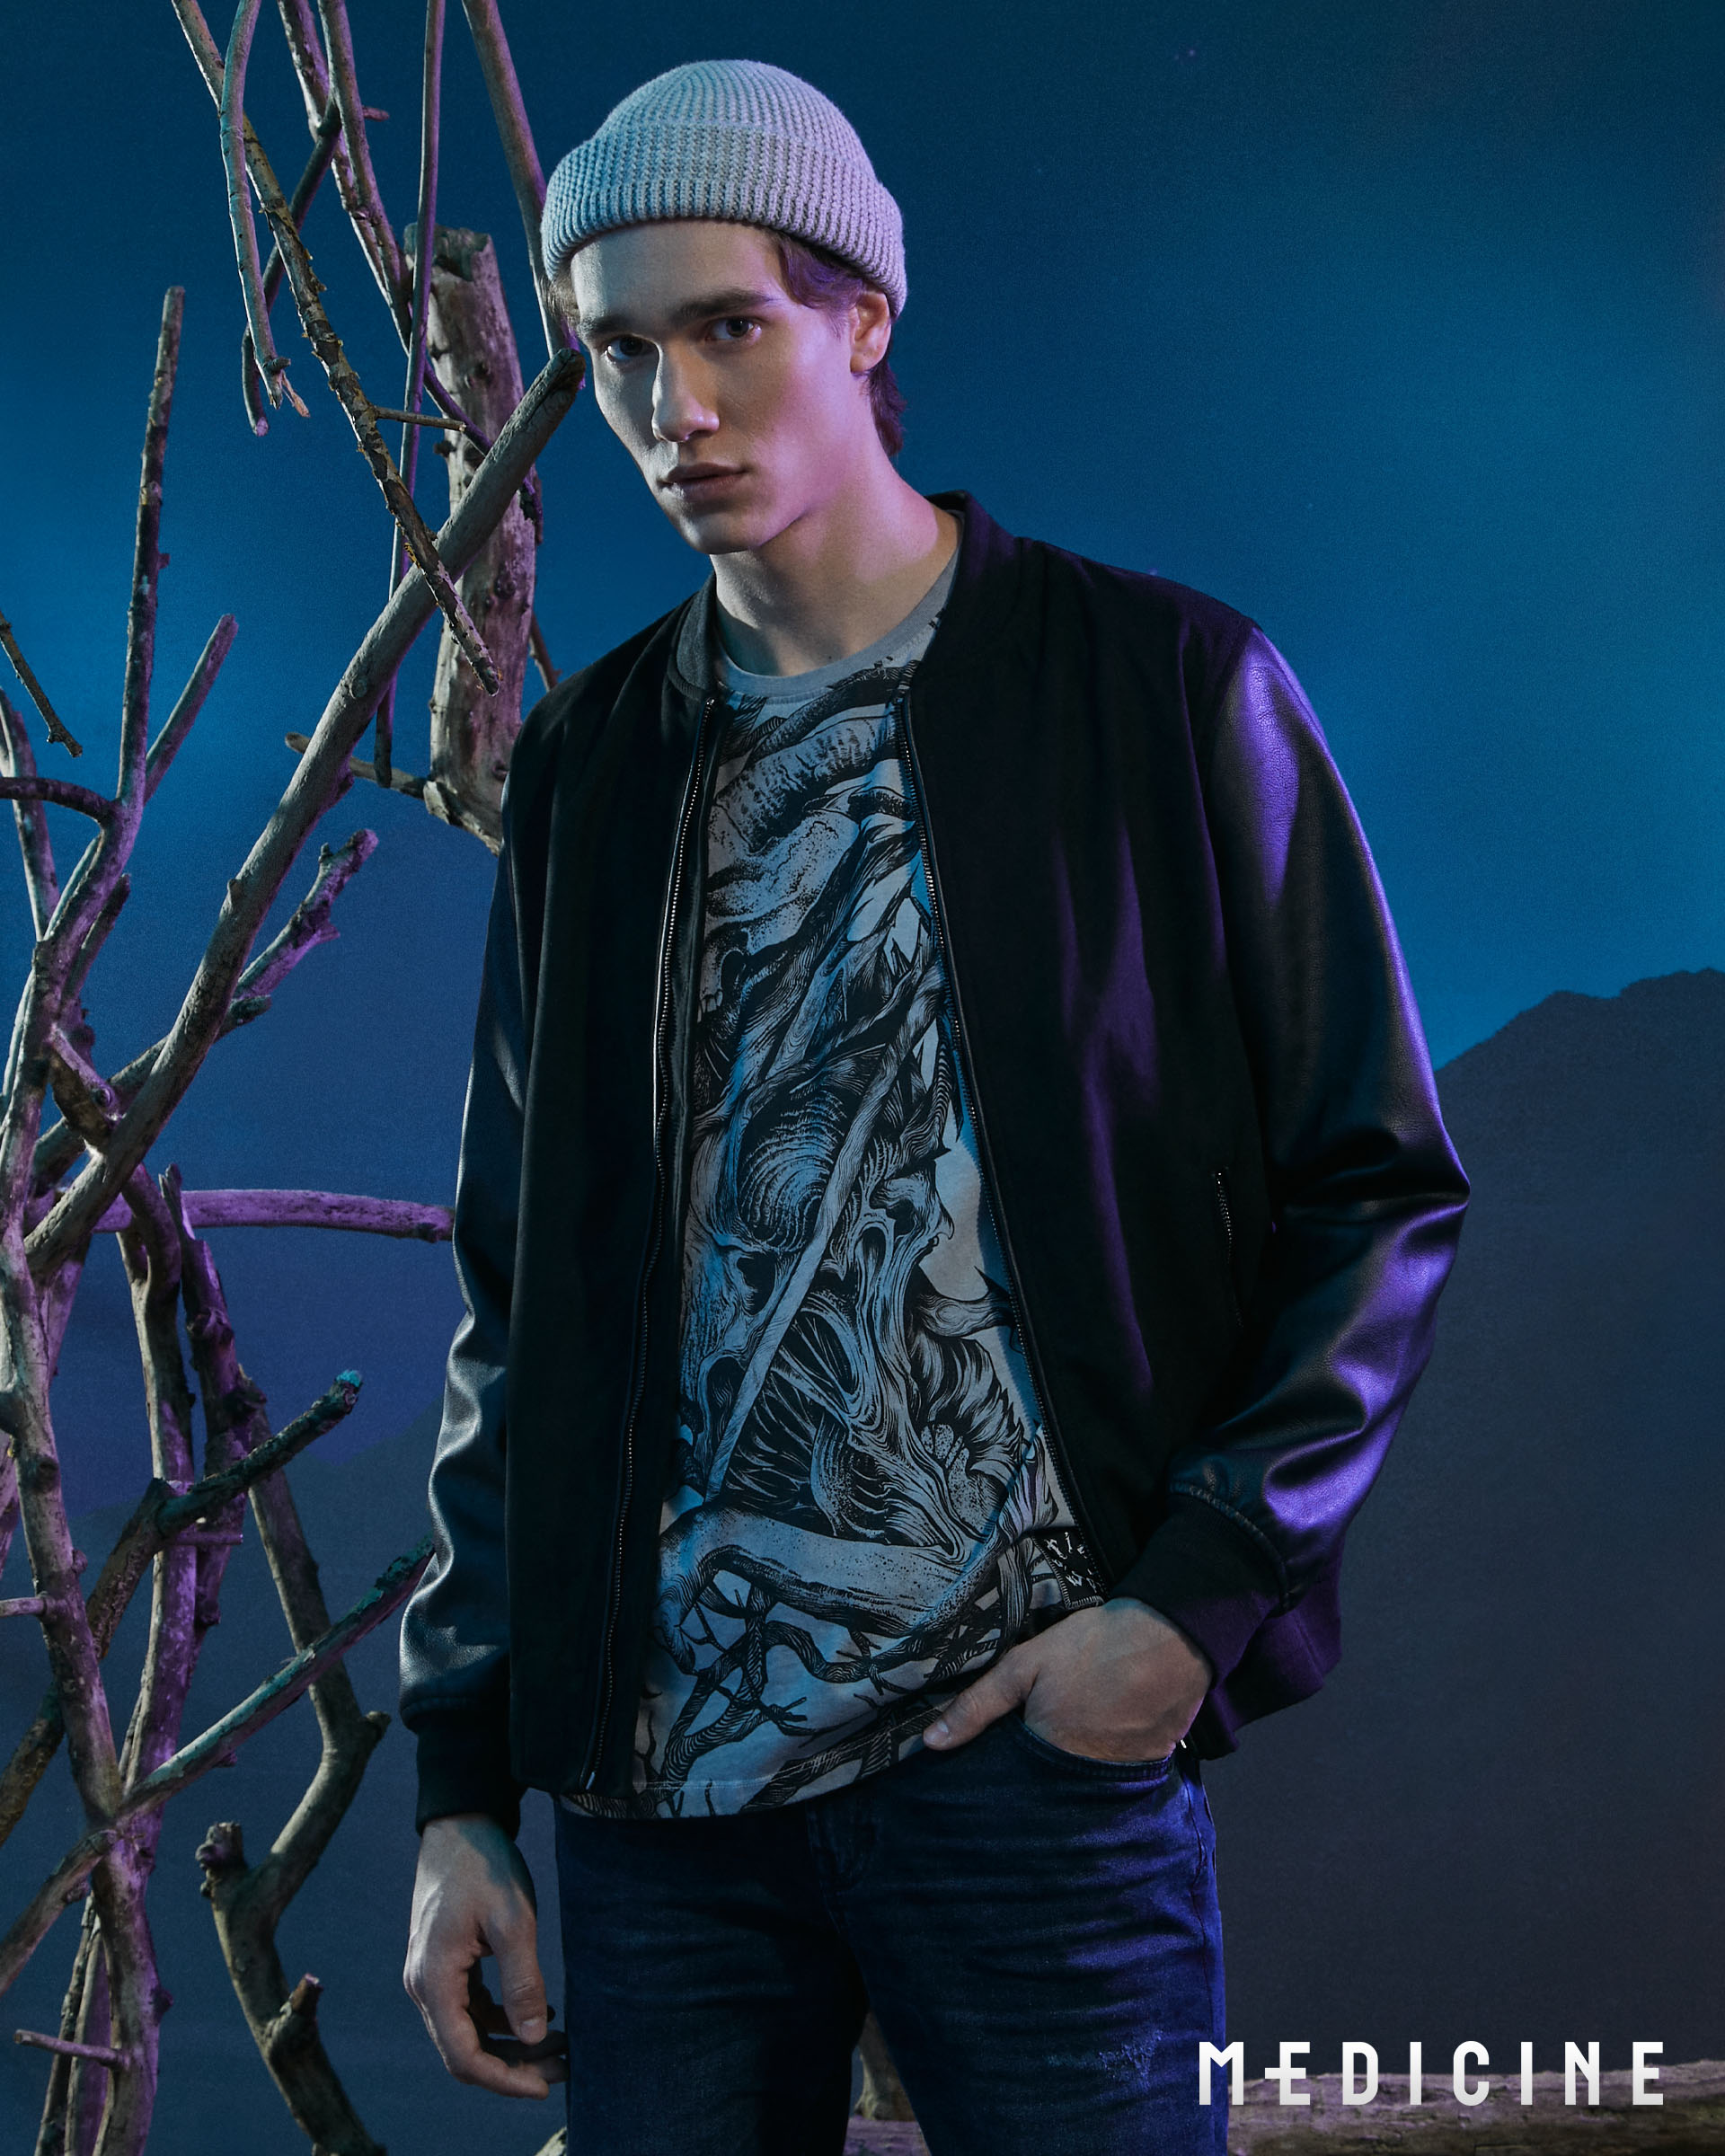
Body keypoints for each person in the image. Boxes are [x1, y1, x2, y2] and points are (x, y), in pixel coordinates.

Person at [399, 57, 1469, 2156]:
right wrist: (459, 1791)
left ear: (863, 316)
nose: (675, 410)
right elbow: (518, 1301)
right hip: (663, 1808)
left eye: (732, 327)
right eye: (620, 352)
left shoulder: (1165, 693)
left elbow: (1379, 1187)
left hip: (1030, 1767)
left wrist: (1186, 1610)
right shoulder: (595, 773)